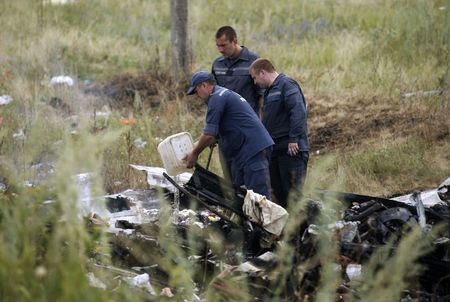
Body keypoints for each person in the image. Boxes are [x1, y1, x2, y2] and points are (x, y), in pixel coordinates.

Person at [185, 71, 274, 199]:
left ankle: (265, 219)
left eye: (196, 91)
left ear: (203, 85)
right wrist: (194, 147)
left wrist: (194, 153)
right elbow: (213, 135)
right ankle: (245, 219)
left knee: (258, 198)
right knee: (241, 195)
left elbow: (209, 135)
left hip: (253, 150)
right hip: (243, 152)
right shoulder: (222, 94)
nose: (197, 96)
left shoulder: (216, 98)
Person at [249, 58, 309, 208]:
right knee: (280, 194)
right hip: (276, 150)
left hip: (291, 151)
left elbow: (298, 111)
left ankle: (299, 230)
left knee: (293, 197)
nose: (255, 82)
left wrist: (294, 138)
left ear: (262, 72)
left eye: (255, 77)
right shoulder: (269, 91)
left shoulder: (287, 84)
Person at [212, 26, 263, 116]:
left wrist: (261, 122)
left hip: (248, 120)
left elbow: (262, 95)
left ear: (234, 41)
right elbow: (213, 94)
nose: (220, 50)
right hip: (226, 121)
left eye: (223, 45)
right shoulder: (217, 65)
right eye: (218, 46)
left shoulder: (253, 61)